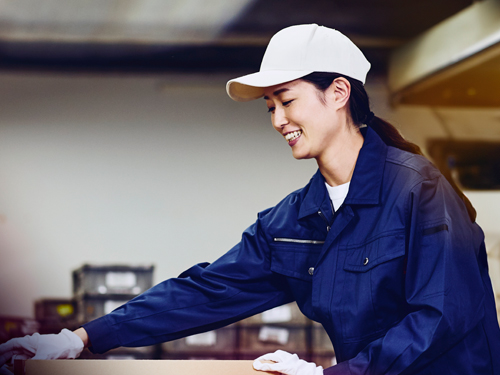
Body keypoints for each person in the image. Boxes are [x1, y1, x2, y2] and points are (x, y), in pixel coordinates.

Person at [1, 23, 500, 375]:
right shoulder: (298, 219)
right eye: (270, 107)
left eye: (287, 100)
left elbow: (440, 318)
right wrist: (78, 339)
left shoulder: (421, 190)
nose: (278, 119)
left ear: (339, 93)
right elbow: (206, 290)